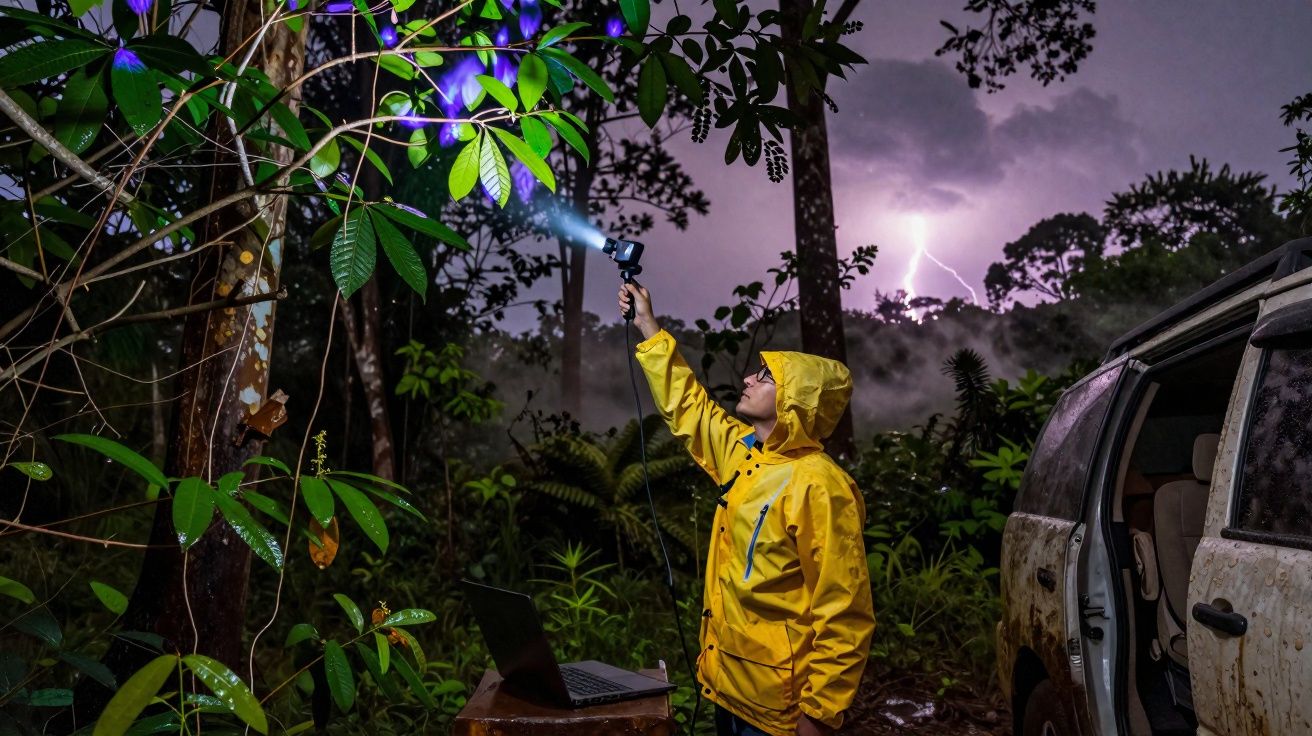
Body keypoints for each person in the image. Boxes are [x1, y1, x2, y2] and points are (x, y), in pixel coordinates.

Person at [619, 283, 875, 736]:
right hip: (726, 686)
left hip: (780, 709)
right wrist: (646, 324)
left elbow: (844, 609)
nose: (750, 379)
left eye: (766, 377)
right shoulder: (745, 453)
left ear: (797, 399)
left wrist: (818, 713)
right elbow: (690, 408)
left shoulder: (821, 486)